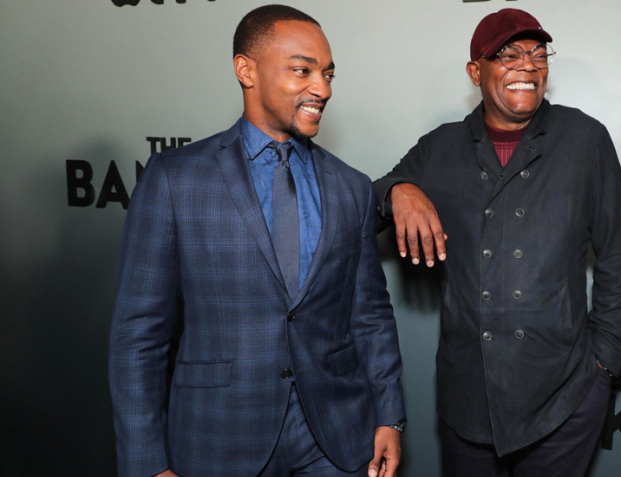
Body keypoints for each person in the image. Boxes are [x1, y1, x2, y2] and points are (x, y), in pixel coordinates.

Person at [108, 5, 405, 477]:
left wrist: (390, 416)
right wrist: (146, 463)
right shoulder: (175, 179)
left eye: (327, 74)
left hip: (338, 441)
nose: (323, 89)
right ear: (246, 70)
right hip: (220, 438)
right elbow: (138, 337)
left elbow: (369, 315)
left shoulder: (351, 186)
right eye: (302, 70)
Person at [373, 8, 621, 477]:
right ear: (476, 70)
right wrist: (398, 190)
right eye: (509, 54)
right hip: (468, 397)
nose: (529, 66)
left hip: (566, 394)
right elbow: (369, 199)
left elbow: (618, 254)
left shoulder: (585, 139)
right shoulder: (440, 147)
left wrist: (604, 365)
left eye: (538, 54)